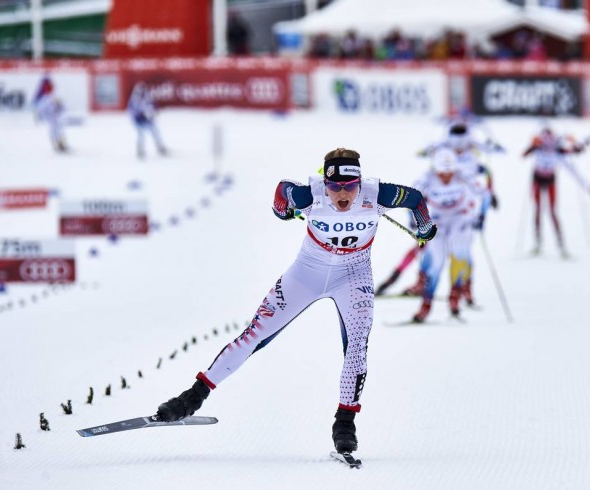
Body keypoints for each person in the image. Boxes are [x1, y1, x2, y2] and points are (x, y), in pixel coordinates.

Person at [155, 148, 437, 455]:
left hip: (353, 276)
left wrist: (425, 227)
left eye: (350, 187)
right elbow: (282, 191)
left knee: (357, 345)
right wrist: (283, 210)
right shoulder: (310, 196)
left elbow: (417, 199)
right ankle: (193, 397)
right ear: (325, 183)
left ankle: (345, 423)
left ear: (359, 182)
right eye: (335, 187)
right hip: (306, 275)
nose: (342, 194)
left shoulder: (377, 193)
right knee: (255, 334)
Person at [411, 148, 485, 323]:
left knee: (459, 257)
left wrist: (481, 216)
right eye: (442, 174)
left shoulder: (463, 175)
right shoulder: (426, 179)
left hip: (460, 220)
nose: (446, 177)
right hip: (437, 222)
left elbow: (485, 194)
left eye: (450, 173)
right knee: (436, 264)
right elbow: (411, 198)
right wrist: (413, 219)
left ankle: (454, 301)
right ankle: (425, 307)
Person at [521, 125, 587, 257]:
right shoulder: (537, 147)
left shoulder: (558, 150)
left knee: (552, 212)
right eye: (545, 140)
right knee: (538, 210)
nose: (548, 144)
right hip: (538, 180)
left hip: (550, 180)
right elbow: (524, 155)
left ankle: (561, 245)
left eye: (550, 141)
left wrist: (574, 141)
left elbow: (578, 151)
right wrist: (531, 144)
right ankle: (538, 243)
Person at [127, 82, 168, 159]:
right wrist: (140, 115)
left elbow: (154, 106)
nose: (142, 93)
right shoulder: (134, 100)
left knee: (155, 132)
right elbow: (132, 112)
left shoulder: (147, 97)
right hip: (139, 121)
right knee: (141, 135)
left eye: (143, 91)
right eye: (141, 92)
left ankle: (160, 147)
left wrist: (154, 111)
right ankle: (140, 150)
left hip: (148, 120)